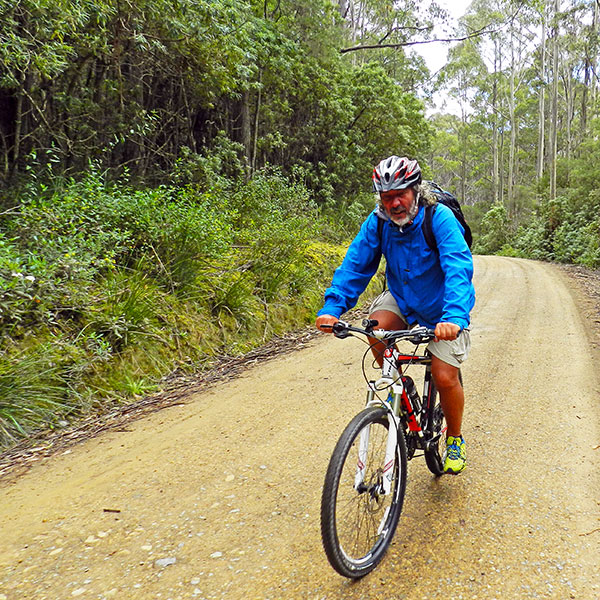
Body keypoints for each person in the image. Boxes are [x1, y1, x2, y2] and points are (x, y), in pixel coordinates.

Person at [315, 155, 475, 474]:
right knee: (376, 332)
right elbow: (355, 265)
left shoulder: (438, 218)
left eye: (401, 194)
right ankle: (402, 392)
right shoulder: (378, 222)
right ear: (380, 198)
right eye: (388, 197)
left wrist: (454, 317)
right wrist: (333, 308)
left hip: (443, 307)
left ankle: (455, 437)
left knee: (444, 376)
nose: (395, 203)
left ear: (415, 190)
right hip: (402, 298)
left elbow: (458, 267)